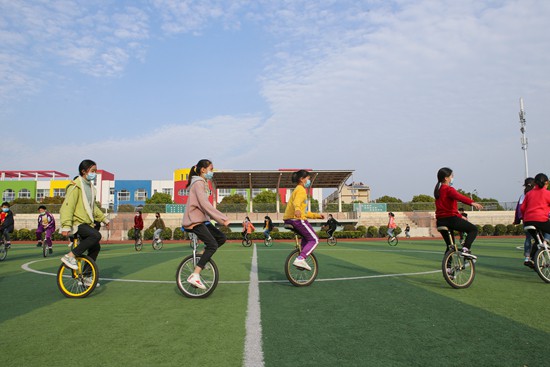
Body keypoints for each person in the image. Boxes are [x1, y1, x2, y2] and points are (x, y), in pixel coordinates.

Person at [60, 160, 110, 286]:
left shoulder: (90, 188)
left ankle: (86, 277)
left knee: (96, 247)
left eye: (95, 171)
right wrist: (66, 225)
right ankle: (69, 256)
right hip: (77, 223)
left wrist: (104, 219)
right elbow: (67, 206)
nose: (94, 174)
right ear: (84, 171)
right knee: (96, 236)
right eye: (92, 171)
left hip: (87, 223)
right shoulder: (75, 186)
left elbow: (93, 208)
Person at [182, 159, 230, 290]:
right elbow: (204, 204)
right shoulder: (198, 183)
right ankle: (195, 275)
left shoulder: (202, 183)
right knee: (213, 244)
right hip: (194, 221)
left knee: (221, 238)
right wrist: (222, 218)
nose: (212, 172)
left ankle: (201, 257)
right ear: (203, 170)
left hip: (202, 220)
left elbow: (204, 206)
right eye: (211, 169)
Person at [434, 167, 483, 259]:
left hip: (440, 221)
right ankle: (466, 249)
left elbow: (446, 209)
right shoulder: (449, 189)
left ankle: (448, 269)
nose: (452, 178)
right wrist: (472, 203)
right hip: (450, 220)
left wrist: (460, 216)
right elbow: (459, 197)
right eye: (451, 176)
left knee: (450, 246)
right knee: (473, 229)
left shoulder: (438, 191)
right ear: (446, 178)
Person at [283, 169, 325, 270]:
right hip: (296, 219)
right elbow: (297, 203)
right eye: (308, 179)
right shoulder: (301, 190)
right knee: (314, 239)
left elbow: (304, 212)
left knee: (306, 238)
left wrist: (317, 216)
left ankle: (301, 256)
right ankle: (301, 259)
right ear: (302, 179)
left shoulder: (296, 190)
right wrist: (297, 209)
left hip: (289, 219)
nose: (309, 181)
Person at [513, 177, 550, 267]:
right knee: (544, 235)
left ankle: (530, 258)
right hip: (540, 220)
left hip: (527, 221)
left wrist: (519, 220)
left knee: (534, 240)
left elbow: (521, 208)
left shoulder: (527, 195)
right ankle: (546, 242)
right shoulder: (546, 193)